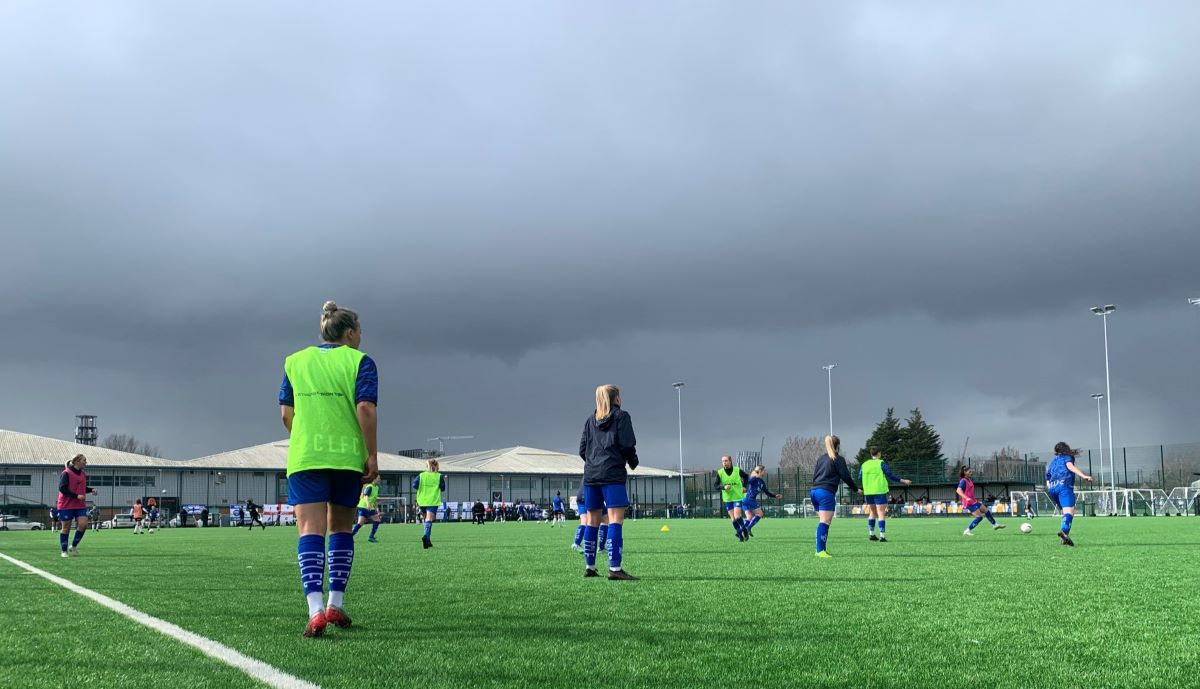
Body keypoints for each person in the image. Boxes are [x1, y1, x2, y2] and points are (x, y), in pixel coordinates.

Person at [279, 301, 379, 637]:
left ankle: (315, 610)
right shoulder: (360, 362)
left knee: (309, 529)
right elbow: (365, 408)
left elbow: (285, 413)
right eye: (360, 332)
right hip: (346, 458)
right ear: (350, 333)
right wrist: (372, 455)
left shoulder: (295, 361)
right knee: (340, 529)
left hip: (306, 457)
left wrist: (306, 438)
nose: (361, 338)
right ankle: (336, 602)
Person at [579, 384, 639, 581]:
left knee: (592, 521)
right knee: (615, 520)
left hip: (590, 477)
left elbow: (582, 449)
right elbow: (627, 444)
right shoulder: (622, 417)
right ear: (617, 398)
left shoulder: (590, 420)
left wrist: (593, 463)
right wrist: (632, 461)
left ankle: (590, 567)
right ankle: (615, 568)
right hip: (612, 475)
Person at [810, 436, 858, 558]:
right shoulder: (838, 459)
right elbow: (846, 476)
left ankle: (820, 549)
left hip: (814, 491)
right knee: (825, 522)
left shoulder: (821, 458)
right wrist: (856, 489)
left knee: (823, 521)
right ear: (838, 446)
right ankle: (820, 551)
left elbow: (815, 475)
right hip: (825, 493)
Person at [858, 447, 912, 542]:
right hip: (879, 491)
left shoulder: (864, 464)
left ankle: (871, 534)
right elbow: (890, 475)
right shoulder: (881, 463)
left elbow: (859, 477)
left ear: (871, 454)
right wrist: (903, 481)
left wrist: (862, 487)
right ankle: (882, 536)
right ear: (879, 453)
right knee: (881, 513)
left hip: (868, 492)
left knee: (872, 512)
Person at [1046, 442, 1093, 547]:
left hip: (1052, 488)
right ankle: (1064, 531)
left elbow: (1048, 478)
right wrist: (1083, 476)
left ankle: (1065, 538)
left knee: (1066, 512)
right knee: (1069, 511)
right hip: (1064, 486)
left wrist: (1050, 487)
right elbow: (1070, 466)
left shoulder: (1052, 462)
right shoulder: (1067, 457)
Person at [56, 454, 98, 557]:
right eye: (84, 460)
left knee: (83, 524)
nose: (86, 462)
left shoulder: (83, 474)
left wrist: (91, 489)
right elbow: (62, 488)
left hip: (79, 505)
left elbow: (82, 488)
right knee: (66, 528)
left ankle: (73, 546)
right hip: (66, 505)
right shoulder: (66, 473)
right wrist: (76, 496)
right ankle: (64, 551)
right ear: (77, 461)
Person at [957, 467, 1006, 536]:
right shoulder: (963, 481)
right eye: (969, 472)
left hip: (973, 501)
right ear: (965, 472)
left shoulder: (969, 480)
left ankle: (995, 525)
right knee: (979, 517)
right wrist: (966, 497)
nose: (971, 473)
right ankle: (967, 531)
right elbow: (958, 490)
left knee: (986, 511)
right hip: (968, 503)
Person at [715, 455, 751, 542]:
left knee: (737, 516)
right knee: (733, 519)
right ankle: (740, 535)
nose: (724, 463)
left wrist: (744, 486)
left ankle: (744, 530)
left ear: (730, 461)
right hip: (728, 498)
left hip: (737, 496)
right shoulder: (720, 472)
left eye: (726, 461)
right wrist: (723, 487)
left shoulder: (737, 470)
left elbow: (746, 476)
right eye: (723, 461)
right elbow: (715, 485)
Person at [412, 459, 447, 549]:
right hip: (432, 501)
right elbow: (443, 488)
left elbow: (414, 485)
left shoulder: (421, 475)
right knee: (429, 519)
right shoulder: (439, 476)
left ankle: (428, 541)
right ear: (437, 466)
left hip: (422, 501)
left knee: (427, 520)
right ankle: (426, 536)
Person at [741, 465, 782, 538]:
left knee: (749, 517)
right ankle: (748, 528)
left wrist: (775, 496)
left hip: (747, 500)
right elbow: (746, 481)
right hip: (748, 499)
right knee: (760, 513)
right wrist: (754, 474)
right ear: (760, 471)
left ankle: (741, 531)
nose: (765, 472)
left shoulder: (762, 482)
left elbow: (767, 492)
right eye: (764, 471)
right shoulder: (753, 479)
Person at [351, 478, 383, 542]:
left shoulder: (376, 488)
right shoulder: (370, 486)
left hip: (362, 506)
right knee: (377, 520)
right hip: (366, 507)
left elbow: (375, 500)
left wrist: (378, 510)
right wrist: (368, 504)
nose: (380, 480)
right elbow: (366, 496)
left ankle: (349, 536)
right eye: (378, 478)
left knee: (360, 523)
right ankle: (371, 537)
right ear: (374, 479)